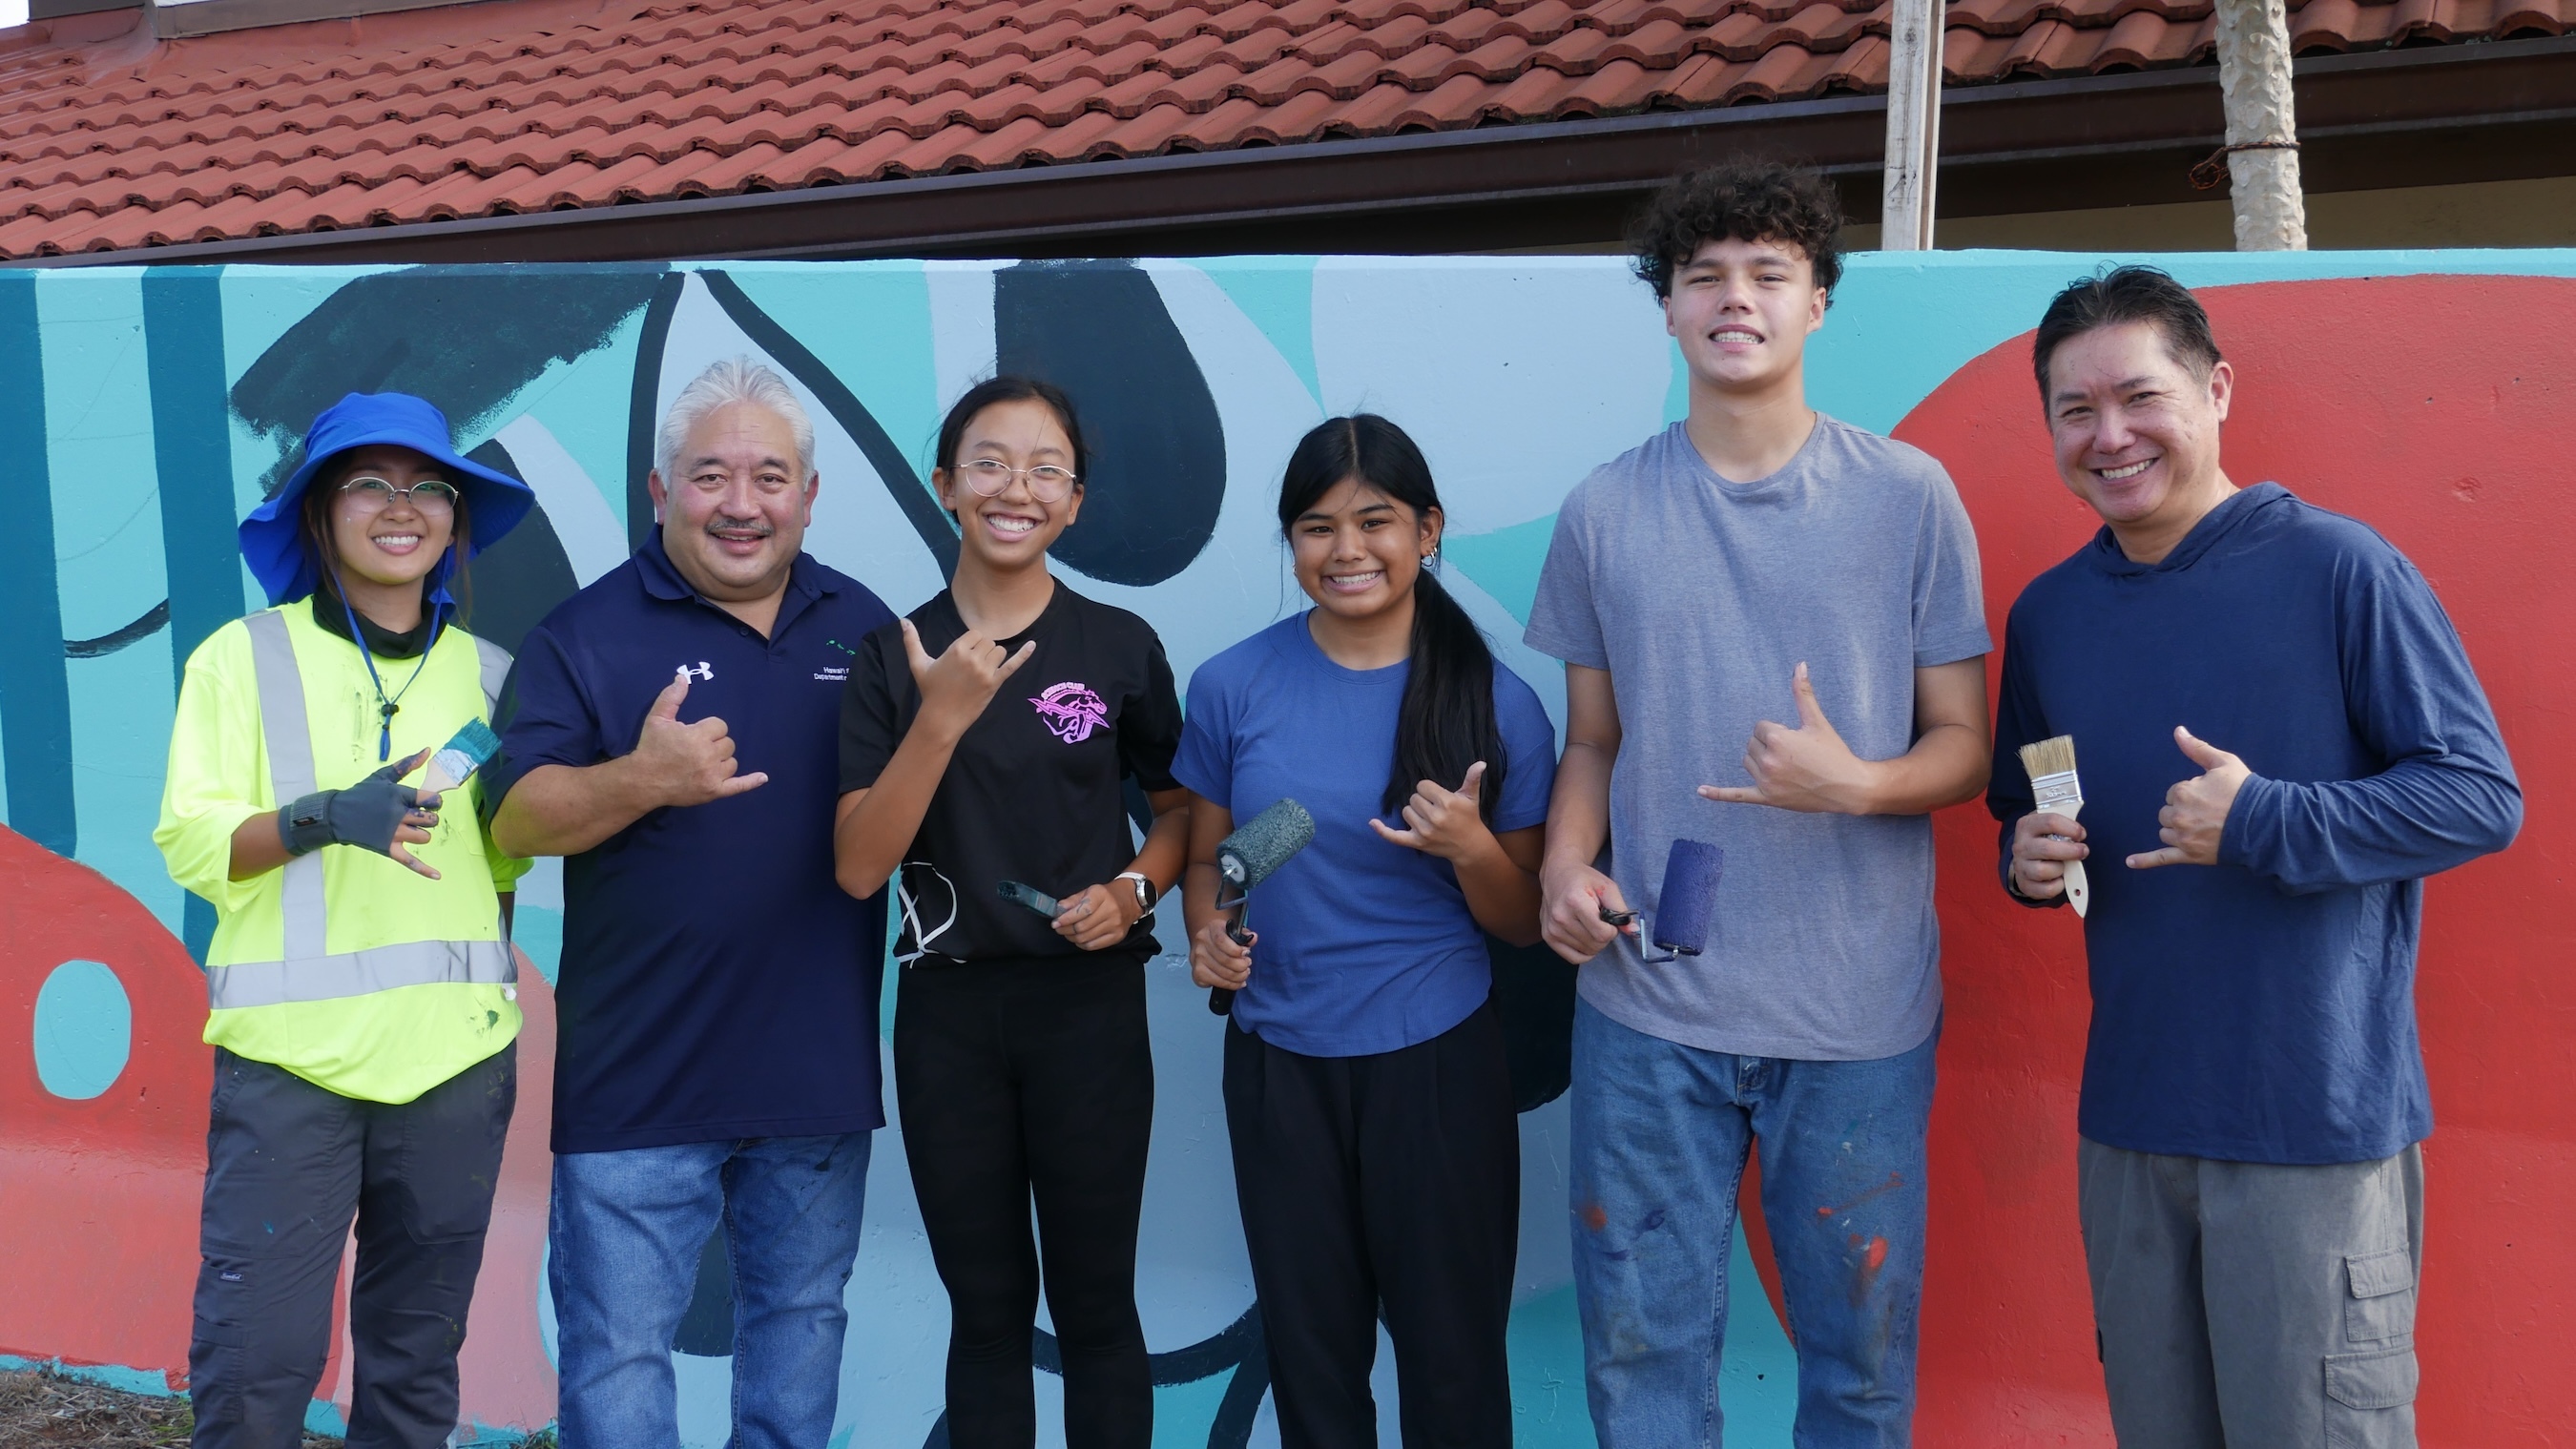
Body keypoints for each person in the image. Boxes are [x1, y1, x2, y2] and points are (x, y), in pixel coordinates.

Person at [1989, 266, 2521, 1449]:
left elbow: (2481, 798)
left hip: (2311, 1122)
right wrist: (2023, 858)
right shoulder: (2049, 615)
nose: (2110, 435)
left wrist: (2265, 820)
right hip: (2129, 1122)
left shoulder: (2340, 569)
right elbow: (2028, 815)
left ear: (2217, 389)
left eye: (2141, 396)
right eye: (2075, 411)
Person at [1522, 159, 1994, 1446]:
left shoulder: (1911, 497)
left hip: (1856, 1014)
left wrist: (1862, 782)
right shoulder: (1605, 510)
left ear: (1820, 303)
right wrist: (1566, 866)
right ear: (1668, 308)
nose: (1736, 296)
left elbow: (1965, 744)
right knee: (1641, 1361)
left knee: (1857, 1371)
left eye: (1769, 272)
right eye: (1704, 274)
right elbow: (1592, 741)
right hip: (1647, 1013)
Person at [484, 358, 895, 1449]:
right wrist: (642, 779)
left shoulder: (867, 628)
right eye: (712, 476)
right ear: (662, 494)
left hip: (816, 1074)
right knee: (618, 1367)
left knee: (797, 1350)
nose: (743, 502)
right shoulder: (584, 635)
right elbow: (512, 821)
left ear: (809, 496)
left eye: (771, 475)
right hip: (637, 1081)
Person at [156, 391, 534, 1449]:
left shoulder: (496, 677)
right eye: (368, 483)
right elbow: (192, 844)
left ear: (456, 520)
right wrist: (323, 818)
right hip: (290, 1072)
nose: (400, 507)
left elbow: (506, 863)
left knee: (415, 1373)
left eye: (428, 487)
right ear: (320, 515)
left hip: (455, 1073)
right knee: (253, 1369)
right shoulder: (241, 658)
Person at [1174, 415, 1556, 1446]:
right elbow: (1210, 860)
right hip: (1277, 1065)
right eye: (1316, 526)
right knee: (1312, 1364)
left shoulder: (1496, 703)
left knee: (1453, 1364)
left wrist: (1471, 846)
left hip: (1437, 1069)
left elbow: (1523, 920)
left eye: (1375, 521)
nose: (1346, 550)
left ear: (1427, 530)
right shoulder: (1229, 685)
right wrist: (1209, 932)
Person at [834, 376, 1188, 1449]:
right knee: (986, 1316)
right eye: (988, 462)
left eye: (1045, 470)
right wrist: (940, 717)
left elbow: (1179, 812)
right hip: (948, 1023)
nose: (1015, 488)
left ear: (1074, 502)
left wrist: (1134, 889)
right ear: (945, 485)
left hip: (1089, 1014)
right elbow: (858, 867)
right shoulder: (890, 654)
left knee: (1096, 1310)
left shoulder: (1120, 645)